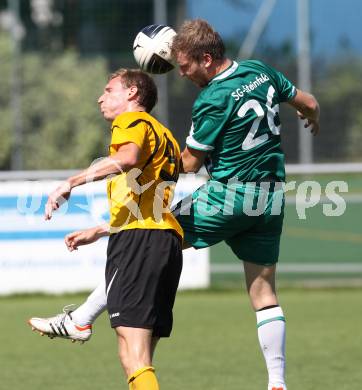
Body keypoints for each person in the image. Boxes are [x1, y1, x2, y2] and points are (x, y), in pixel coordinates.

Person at [29, 19, 320, 390]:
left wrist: (154, 148)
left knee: (147, 238)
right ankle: (277, 383)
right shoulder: (259, 70)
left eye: (184, 66)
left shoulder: (212, 99)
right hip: (270, 198)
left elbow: (187, 164)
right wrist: (311, 116)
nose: (180, 73)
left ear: (208, 59)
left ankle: (81, 319)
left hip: (228, 195)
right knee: (264, 295)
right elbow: (308, 102)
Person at [30, 68, 184, 390]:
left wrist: (72, 182)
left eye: (109, 90)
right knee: (133, 355)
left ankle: (79, 322)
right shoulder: (165, 135)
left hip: (141, 241)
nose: (101, 97)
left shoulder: (130, 122)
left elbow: (126, 159)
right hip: (163, 239)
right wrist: (101, 230)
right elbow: (149, 199)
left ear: (132, 93)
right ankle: (80, 321)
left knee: (135, 354)